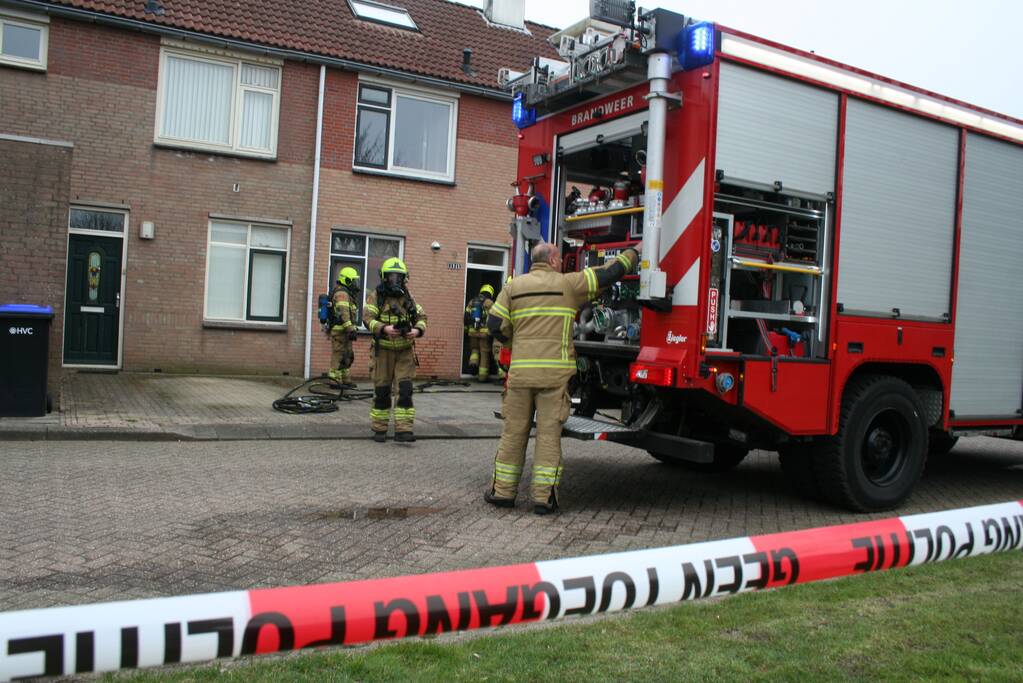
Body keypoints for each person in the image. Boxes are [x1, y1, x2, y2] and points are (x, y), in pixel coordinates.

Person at [484, 242, 638, 514]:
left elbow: (495, 325)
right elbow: (609, 274)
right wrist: (634, 252)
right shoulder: (568, 285)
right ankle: (543, 499)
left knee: (513, 433)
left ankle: (503, 493)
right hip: (554, 378)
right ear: (554, 260)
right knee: (548, 436)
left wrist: (515, 343)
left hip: (520, 375)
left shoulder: (513, 287)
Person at [363, 257, 427, 443]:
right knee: (382, 389)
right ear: (384, 277)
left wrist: (416, 330)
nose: (394, 281)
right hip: (383, 351)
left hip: (404, 352)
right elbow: (367, 318)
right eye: (391, 276)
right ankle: (379, 429)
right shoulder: (376, 296)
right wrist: (384, 329)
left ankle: (403, 430)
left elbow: (422, 316)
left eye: (398, 277)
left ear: (404, 278)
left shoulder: (408, 297)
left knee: (405, 390)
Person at [328, 267, 361, 389]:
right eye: (353, 281)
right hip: (339, 331)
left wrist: (351, 329)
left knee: (347, 355)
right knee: (338, 354)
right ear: (346, 280)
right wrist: (350, 329)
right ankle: (334, 380)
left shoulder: (347, 293)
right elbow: (344, 313)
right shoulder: (342, 294)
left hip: (345, 331)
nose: (355, 284)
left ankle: (345, 379)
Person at [464, 284, 496, 382]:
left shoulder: (472, 302)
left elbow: (466, 317)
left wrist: (466, 330)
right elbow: (494, 318)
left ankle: (473, 363)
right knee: (484, 353)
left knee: (474, 350)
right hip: (484, 333)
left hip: (473, 332)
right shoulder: (490, 303)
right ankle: (482, 377)